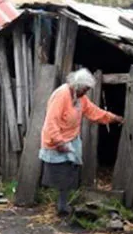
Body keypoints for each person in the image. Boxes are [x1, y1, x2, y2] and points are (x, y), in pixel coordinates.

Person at [39, 68, 124, 216]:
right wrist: (58, 141)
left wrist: (113, 118)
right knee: (61, 173)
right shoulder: (61, 95)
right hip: (57, 139)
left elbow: (93, 111)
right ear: (78, 85)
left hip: (71, 138)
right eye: (85, 88)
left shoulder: (79, 97)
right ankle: (61, 205)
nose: (86, 92)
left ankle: (63, 204)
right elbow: (51, 121)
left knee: (71, 171)